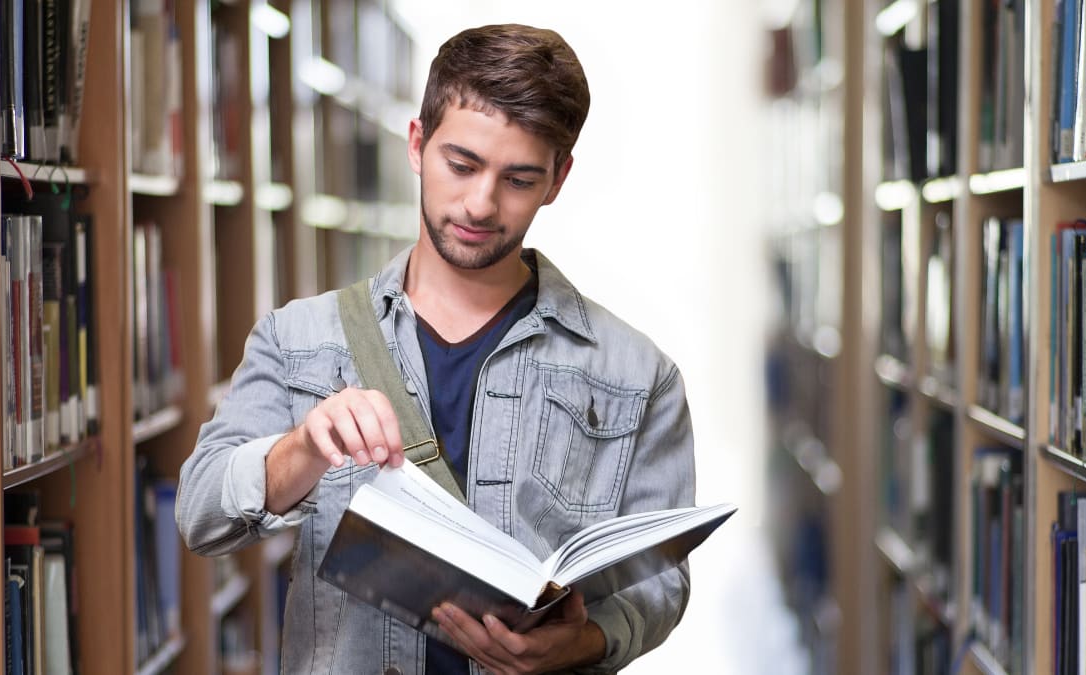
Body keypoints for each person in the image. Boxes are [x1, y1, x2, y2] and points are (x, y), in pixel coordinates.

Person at [176, 23, 696, 674]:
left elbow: (662, 582)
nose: (480, 203)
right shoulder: (299, 337)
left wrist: (583, 642)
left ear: (557, 179)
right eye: (463, 164)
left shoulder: (639, 375)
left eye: (519, 178)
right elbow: (199, 512)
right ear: (418, 144)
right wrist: (302, 447)